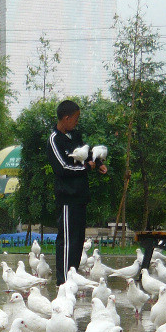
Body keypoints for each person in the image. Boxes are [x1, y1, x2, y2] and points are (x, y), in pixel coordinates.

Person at [45, 99, 107, 286]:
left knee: (78, 241)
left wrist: (99, 165)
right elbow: (62, 168)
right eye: (76, 118)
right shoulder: (54, 140)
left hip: (80, 197)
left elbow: (86, 155)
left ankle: (72, 278)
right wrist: (87, 168)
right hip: (67, 199)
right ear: (66, 118)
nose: (77, 122)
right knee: (67, 241)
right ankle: (62, 282)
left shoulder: (75, 136)